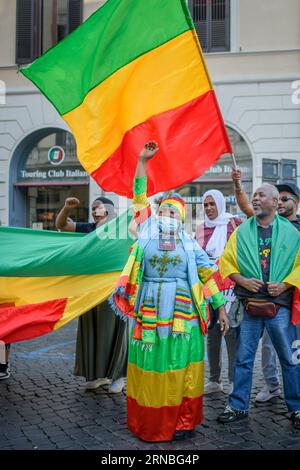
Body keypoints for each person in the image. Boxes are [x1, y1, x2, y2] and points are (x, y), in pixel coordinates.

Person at [110, 141, 229, 442]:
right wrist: (142, 162)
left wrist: (222, 308)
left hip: (182, 316)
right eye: (162, 210)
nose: (166, 216)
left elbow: (209, 276)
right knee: (151, 364)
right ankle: (149, 420)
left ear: (181, 218)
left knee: (180, 366)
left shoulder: (190, 243)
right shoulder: (147, 229)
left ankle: (182, 422)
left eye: (172, 213)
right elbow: (139, 195)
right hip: (149, 314)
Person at [218, 183, 300, 430]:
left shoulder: (292, 233)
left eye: (261, 195)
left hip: (280, 306)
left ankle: (296, 408)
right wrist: (242, 280)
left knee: (289, 358)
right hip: (251, 305)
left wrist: (285, 285)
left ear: (275, 203)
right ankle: (238, 406)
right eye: (253, 195)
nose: (255, 198)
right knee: (243, 358)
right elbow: (226, 261)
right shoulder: (242, 231)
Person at [55, 196, 128, 393]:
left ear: (111, 211)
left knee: (115, 332)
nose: (96, 211)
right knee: (92, 330)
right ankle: (98, 375)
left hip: (113, 291)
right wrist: (66, 207)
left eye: (100, 208)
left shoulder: (121, 231)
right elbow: (61, 225)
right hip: (90, 290)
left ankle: (118, 376)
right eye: (93, 208)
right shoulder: (89, 228)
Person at [195, 190, 242, 394]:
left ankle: (233, 380)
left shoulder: (235, 223)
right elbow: (197, 256)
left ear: (221, 204)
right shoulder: (200, 228)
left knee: (231, 333)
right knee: (212, 332)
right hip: (209, 289)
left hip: (231, 287)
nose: (209, 208)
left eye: (212, 204)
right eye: (205, 205)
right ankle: (214, 379)